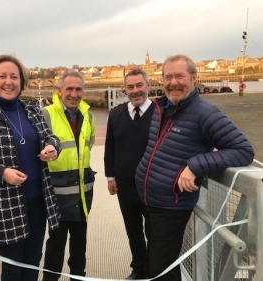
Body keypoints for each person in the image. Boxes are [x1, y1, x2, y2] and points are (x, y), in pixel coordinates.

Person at [134, 54, 255, 281]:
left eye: (179, 76)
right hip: (150, 200)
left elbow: (244, 150)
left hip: (171, 205)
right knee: (159, 263)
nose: (173, 82)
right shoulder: (162, 108)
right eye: (168, 77)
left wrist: (195, 165)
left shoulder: (204, 113)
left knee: (161, 269)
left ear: (194, 78)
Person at [0, 54, 61, 281]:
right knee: (13, 268)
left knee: (33, 262)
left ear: (22, 81)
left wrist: (52, 148)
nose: (9, 82)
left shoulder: (33, 110)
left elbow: (51, 137)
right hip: (4, 208)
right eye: (2, 76)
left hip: (38, 201)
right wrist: (1, 173)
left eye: (14, 77)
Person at [42, 70, 96, 281]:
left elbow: (88, 146)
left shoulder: (88, 115)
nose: (74, 94)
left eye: (78, 89)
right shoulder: (46, 114)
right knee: (55, 245)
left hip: (82, 192)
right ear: (59, 90)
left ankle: (78, 278)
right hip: (57, 195)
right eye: (69, 89)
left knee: (79, 246)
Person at [104, 69, 155, 279]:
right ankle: (139, 270)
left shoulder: (161, 113)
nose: (135, 91)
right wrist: (110, 177)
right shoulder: (116, 114)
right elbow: (110, 147)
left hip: (152, 186)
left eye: (139, 85)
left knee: (153, 233)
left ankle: (154, 270)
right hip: (124, 185)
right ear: (124, 89)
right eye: (130, 87)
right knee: (133, 231)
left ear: (148, 86)